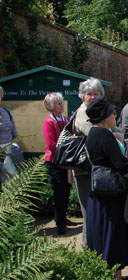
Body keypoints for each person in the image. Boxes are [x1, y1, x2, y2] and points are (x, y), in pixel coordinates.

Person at [84, 98, 128, 280]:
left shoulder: (93, 133)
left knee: (105, 236)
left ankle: (114, 278)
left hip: (100, 194)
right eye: (112, 112)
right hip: (111, 194)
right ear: (104, 116)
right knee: (113, 236)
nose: (115, 115)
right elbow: (121, 164)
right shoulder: (103, 135)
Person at [73, 78, 116, 247]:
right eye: (89, 94)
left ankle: (97, 249)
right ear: (82, 96)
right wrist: (113, 134)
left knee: (97, 211)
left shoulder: (99, 112)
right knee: (89, 211)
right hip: (85, 168)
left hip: (96, 168)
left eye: (96, 94)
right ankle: (89, 250)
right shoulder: (83, 112)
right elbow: (96, 133)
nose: (92, 97)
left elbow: (115, 130)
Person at [42, 92, 72, 235]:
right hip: (54, 161)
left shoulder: (65, 119)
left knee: (65, 191)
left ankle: (62, 218)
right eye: (58, 103)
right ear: (51, 106)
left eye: (61, 102)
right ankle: (60, 224)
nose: (61, 105)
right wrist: (67, 148)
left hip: (64, 160)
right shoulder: (49, 122)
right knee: (59, 192)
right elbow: (51, 144)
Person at [0, 85, 24, 183]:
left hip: (9, 153)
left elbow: (14, 133)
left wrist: (14, 145)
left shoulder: (6, 113)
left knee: (12, 181)